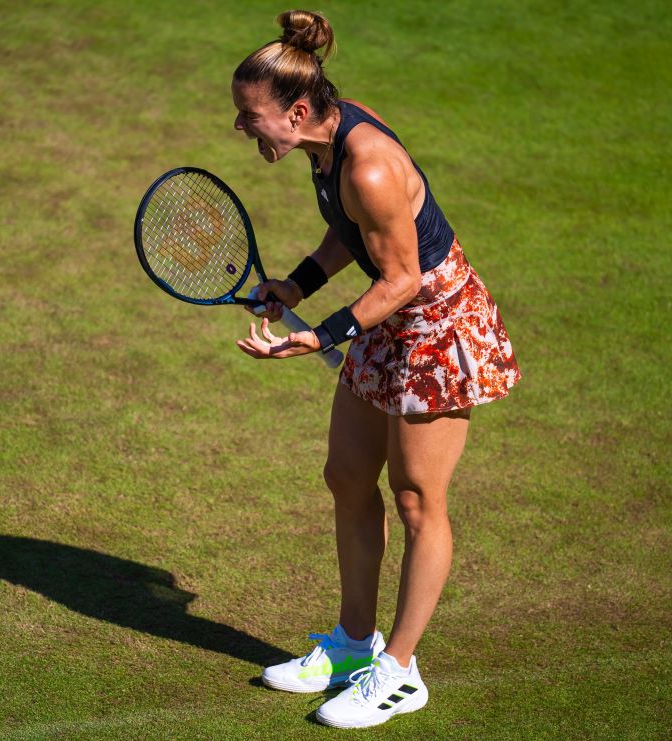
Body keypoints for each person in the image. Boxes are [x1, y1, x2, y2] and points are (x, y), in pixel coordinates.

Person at [229, 9, 521, 729]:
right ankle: (352, 646)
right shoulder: (324, 147)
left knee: (417, 496)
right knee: (347, 475)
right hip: (387, 318)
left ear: (297, 111)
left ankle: (398, 669)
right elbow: (346, 230)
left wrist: (318, 334)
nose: (243, 129)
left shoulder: (370, 162)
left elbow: (404, 279)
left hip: (435, 324)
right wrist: (298, 283)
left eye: (249, 117)